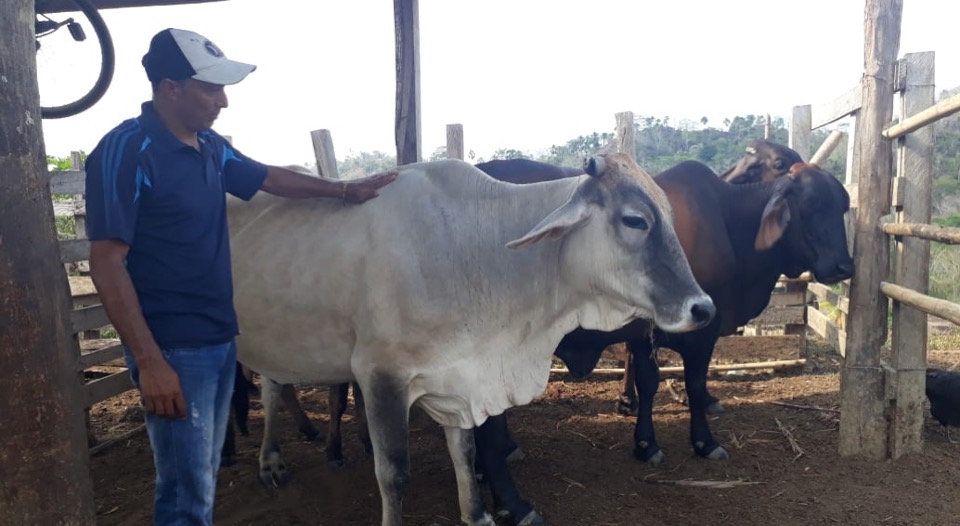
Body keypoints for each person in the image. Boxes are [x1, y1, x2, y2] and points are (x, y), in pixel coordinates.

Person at [84, 28, 398, 525]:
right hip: (170, 347)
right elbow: (105, 262)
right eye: (211, 89)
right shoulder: (126, 150)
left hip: (217, 336)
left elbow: (268, 177)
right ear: (170, 87)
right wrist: (150, 363)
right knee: (184, 490)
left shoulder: (210, 147)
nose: (223, 101)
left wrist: (341, 190)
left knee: (202, 474)